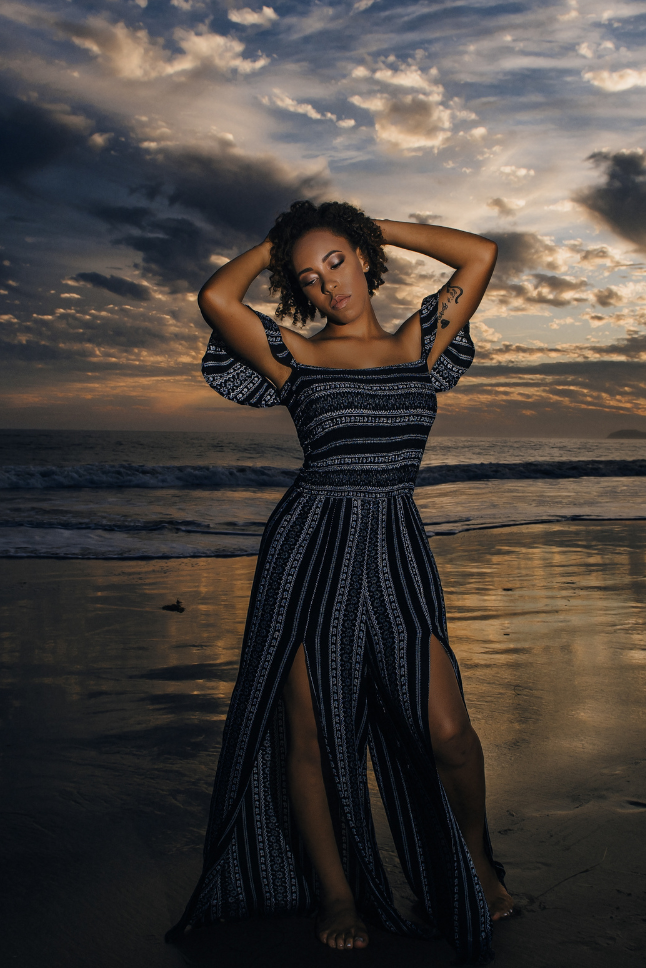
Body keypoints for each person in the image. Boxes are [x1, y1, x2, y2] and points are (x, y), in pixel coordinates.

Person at [165, 201, 511, 962]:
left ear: (362, 259)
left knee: (449, 731)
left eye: (337, 262)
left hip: (396, 547)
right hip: (311, 550)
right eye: (307, 277)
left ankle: (479, 863)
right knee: (314, 738)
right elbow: (218, 300)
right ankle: (338, 892)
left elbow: (480, 253)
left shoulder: (423, 342)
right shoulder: (293, 355)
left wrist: (369, 226)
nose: (327, 284)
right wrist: (281, 244)